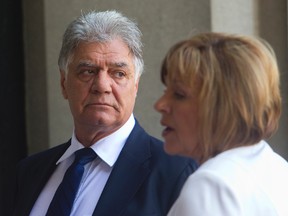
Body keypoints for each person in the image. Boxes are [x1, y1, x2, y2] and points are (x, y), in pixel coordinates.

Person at [8, 10, 197, 216]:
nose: (102, 86)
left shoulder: (176, 173)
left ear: (135, 86)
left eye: (118, 73)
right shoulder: (28, 173)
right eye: (88, 71)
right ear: (64, 83)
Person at [154, 32, 288, 216]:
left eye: (179, 94)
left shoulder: (212, 186)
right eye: (165, 91)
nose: (160, 105)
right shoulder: (276, 168)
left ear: (223, 107)